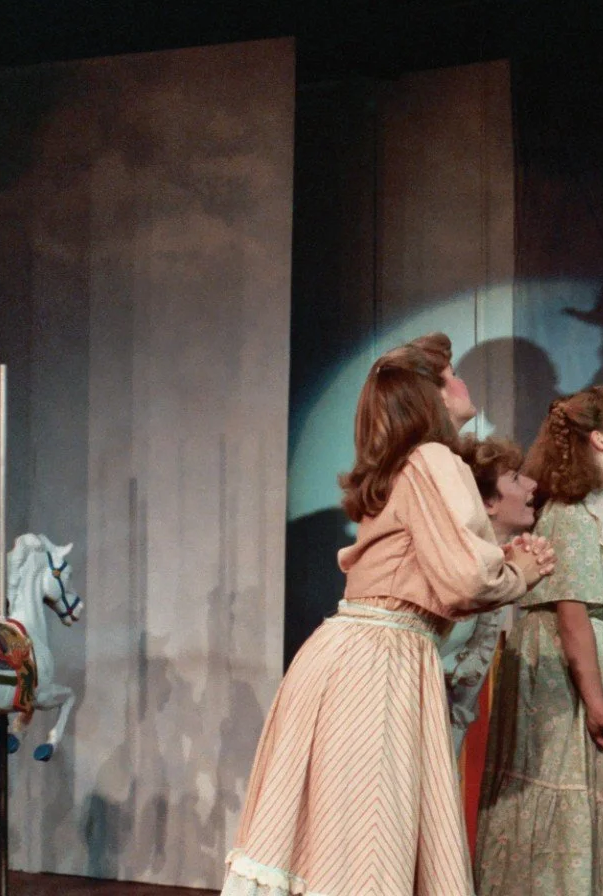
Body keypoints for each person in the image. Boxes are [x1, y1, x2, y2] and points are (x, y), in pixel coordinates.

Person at [220, 334, 553, 896]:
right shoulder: (434, 458)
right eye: (451, 373)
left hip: (355, 653)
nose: (463, 382)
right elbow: (467, 577)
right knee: (368, 839)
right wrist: (517, 571)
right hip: (378, 662)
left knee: (347, 837)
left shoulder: (409, 462)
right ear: (434, 395)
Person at [475, 385, 603, 896]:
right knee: (556, 797)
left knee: (590, 795)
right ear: (598, 440)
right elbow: (572, 615)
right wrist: (599, 705)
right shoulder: (570, 512)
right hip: (560, 672)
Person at [440, 436, 540, 752]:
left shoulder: (495, 562)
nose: (531, 484)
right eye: (514, 477)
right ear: (487, 502)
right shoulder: (459, 566)